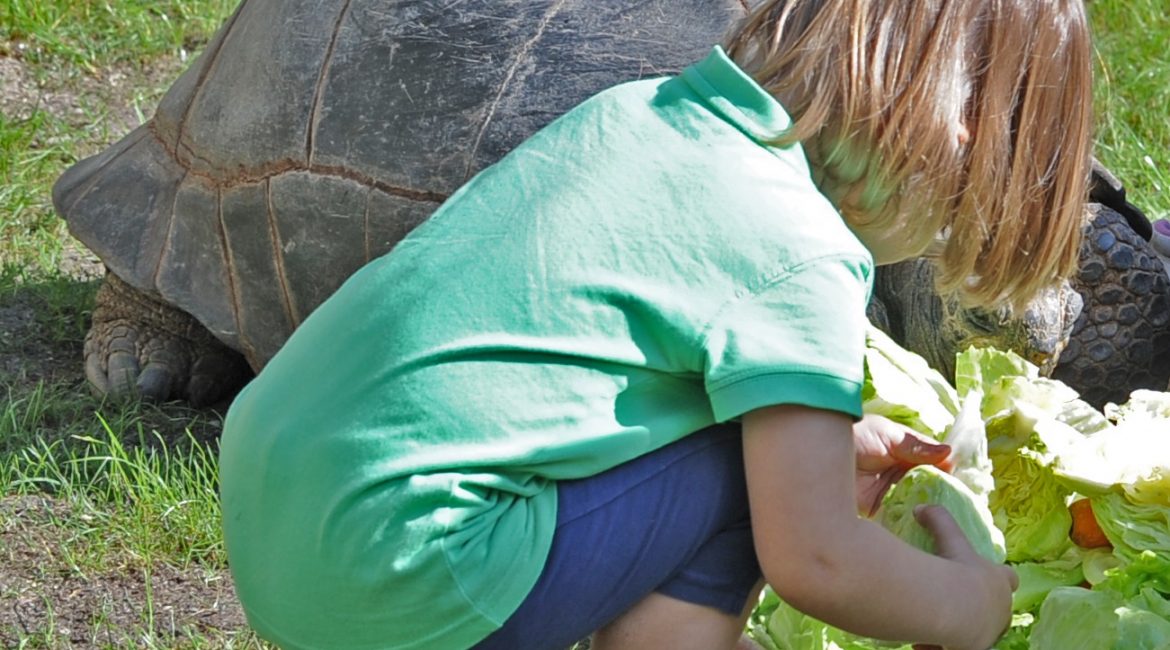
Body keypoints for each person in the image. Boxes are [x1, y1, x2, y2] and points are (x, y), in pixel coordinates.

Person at [217, 0, 1093, 648]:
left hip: (280, 509)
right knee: (743, 478)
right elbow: (817, 560)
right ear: (960, 137)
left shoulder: (645, 113)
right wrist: (970, 606)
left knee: (739, 449)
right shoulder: (806, 249)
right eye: (956, 218)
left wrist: (836, 438)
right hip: (395, 574)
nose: (936, 239)